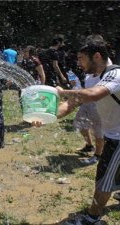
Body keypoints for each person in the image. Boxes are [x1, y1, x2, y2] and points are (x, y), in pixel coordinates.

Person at [32, 38, 120, 225]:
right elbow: (73, 103)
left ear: (96, 56)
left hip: (117, 138)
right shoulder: (91, 78)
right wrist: (48, 116)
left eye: (81, 58)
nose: (78, 63)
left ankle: (92, 218)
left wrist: (61, 91)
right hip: (113, 133)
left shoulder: (116, 74)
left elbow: (94, 95)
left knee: (104, 178)